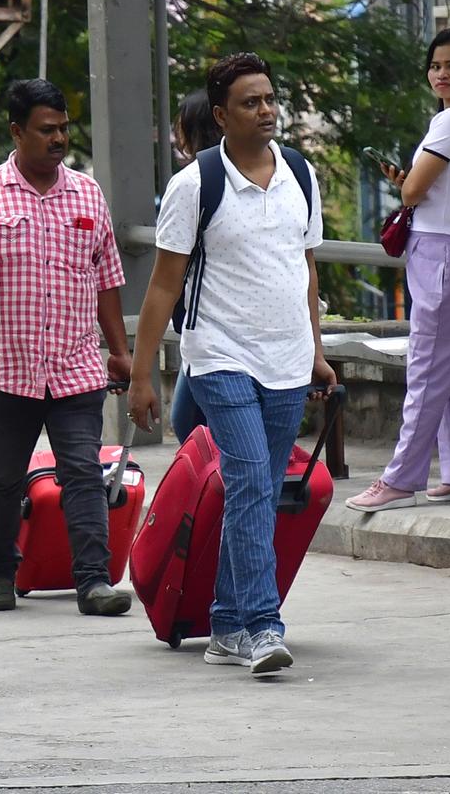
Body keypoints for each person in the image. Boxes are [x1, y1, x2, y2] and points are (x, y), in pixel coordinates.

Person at [126, 53, 336, 677]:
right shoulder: (196, 186)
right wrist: (142, 375)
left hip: (288, 359)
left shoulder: (300, 171)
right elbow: (163, 286)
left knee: (263, 491)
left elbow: (306, 267)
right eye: (251, 102)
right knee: (248, 480)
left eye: (271, 99)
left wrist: (317, 351)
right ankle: (264, 625)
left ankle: (224, 623)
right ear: (221, 116)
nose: (267, 111)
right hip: (220, 354)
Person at [0, 78, 133, 617]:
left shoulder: (88, 194)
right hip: (7, 370)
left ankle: (93, 581)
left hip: (76, 368)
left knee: (83, 475)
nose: (59, 139)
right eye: (46, 130)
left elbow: (107, 283)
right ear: (17, 132)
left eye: (64, 128)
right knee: (3, 479)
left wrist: (119, 351)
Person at [346, 27, 450, 513]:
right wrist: (410, 181)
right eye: (436, 66)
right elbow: (426, 186)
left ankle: (400, 479)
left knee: (427, 368)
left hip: (443, 255)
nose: (442, 73)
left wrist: (406, 184)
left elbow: (414, 193)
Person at [168, 90, 223, 443]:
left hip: (212, 332)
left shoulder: (194, 183)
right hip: (197, 332)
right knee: (191, 423)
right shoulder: (195, 180)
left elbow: (166, 278)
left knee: (190, 422)